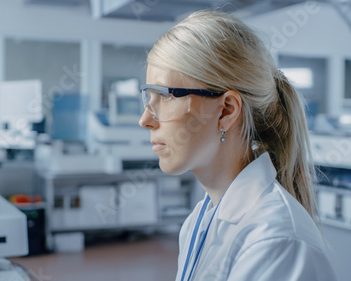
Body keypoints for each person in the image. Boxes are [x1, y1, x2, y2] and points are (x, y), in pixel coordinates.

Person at [139, 10, 338, 281]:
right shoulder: (200, 221)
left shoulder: (276, 242)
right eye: (148, 98)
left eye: (166, 97)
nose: (145, 120)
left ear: (226, 111)